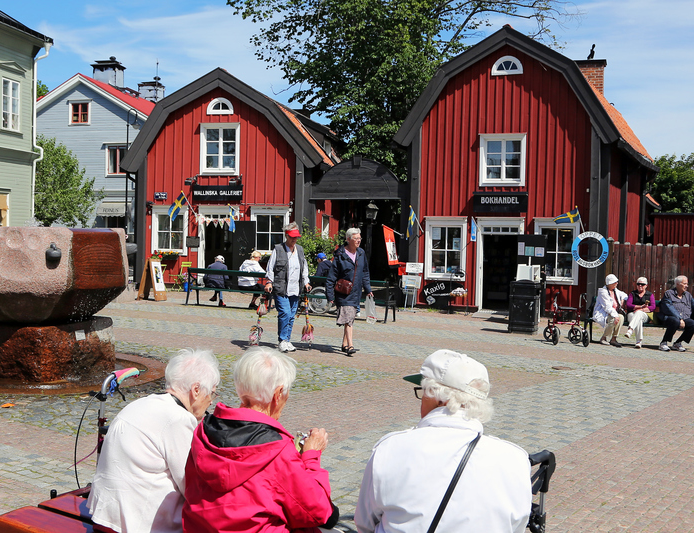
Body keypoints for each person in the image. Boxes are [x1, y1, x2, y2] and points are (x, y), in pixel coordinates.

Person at [355, 349, 532, 533]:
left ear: (439, 399)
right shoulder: (515, 459)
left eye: (422, 392)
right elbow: (516, 526)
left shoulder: (390, 449)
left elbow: (365, 524)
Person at [182, 347, 339, 533]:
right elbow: (322, 513)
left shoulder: (203, 432)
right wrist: (311, 456)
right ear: (278, 394)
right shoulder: (275, 450)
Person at [88, 348, 221, 533]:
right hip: (136, 524)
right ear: (196, 390)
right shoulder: (178, 418)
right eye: (212, 393)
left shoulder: (141, 403)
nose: (212, 401)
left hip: (104, 516)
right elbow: (191, 485)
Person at [264, 222, 311, 353]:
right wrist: (269, 282)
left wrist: (306, 282)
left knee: (291, 315)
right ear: (286, 235)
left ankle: (287, 341)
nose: (294, 239)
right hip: (281, 288)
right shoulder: (278, 249)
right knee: (285, 313)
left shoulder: (300, 250)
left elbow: (304, 268)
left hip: (296, 288)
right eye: (292, 237)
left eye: (296, 237)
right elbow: (270, 268)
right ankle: (282, 340)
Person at [325, 228, 372, 356]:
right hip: (344, 292)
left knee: (349, 317)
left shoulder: (361, 253)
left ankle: (344, 344)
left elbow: (365, 273)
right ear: (348, 239)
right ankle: (350, 345)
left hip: (356, 292)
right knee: (348, 318)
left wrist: (368, 289)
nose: (359, 241)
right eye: (356, 238)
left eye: (359, 238)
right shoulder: (340, 255)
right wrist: (329, 295)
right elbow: (331, 277)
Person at [657, 275, 694, 352]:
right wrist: (679, 318)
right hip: (669, 318)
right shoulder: (669, 294)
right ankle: (663, 343)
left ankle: (678, 343)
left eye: (687, 284)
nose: (687, 286)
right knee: (675, 321)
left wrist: (683, 319)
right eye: (684, 284)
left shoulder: (688, 295)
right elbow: (669, 308)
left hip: (685, 318)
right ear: (677, 284)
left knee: (692, 323)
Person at [592, 273, 627, 347]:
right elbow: (607, 307)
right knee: (613, 319)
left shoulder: (615, 290)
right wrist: (615, 315)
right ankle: (604, 338)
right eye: (615, 282)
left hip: (613, 312)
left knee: (621, 317)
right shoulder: (603, 292)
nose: (617, 283)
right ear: (610, 283)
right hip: (604, 313)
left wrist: (622, 300)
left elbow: (624, 295)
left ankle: (614, 339)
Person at [623, 276, 656, 349]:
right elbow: (628, 305)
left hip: (645, 315)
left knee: (639, 314)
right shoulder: (632, 294)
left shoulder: (650, 295)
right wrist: (640, 307)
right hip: (632, 314)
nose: (640, 286)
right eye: (638, 284)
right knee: (638, 320)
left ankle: (630, 330)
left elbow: (653, 307)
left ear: (646, 285)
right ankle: (639, 341)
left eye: (642, 284)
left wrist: (641, 310)